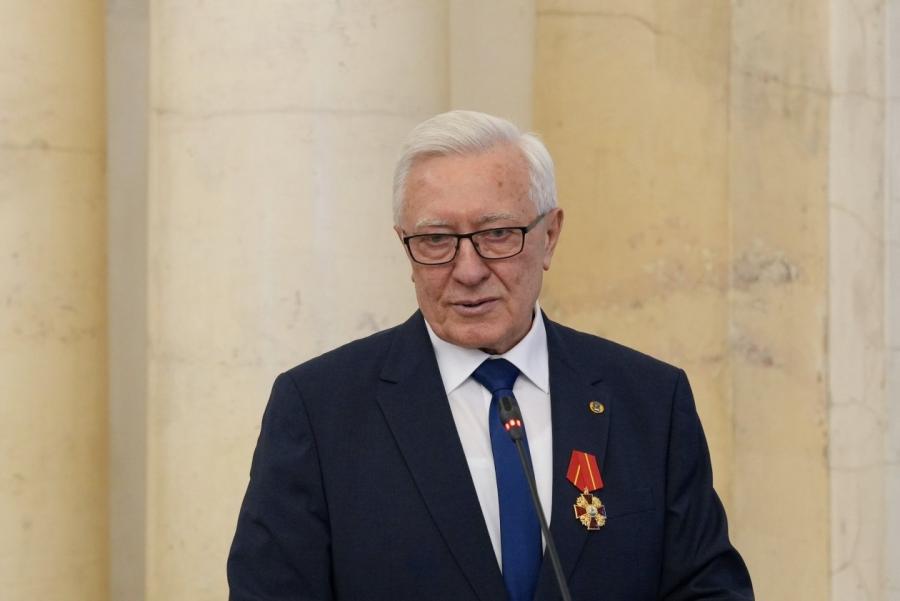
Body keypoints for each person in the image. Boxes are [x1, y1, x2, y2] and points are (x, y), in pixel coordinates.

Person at [227, 110, 754, 600]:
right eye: (436, 240)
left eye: (498, 234)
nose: (469, 270)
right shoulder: (320, 411)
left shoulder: (650, 401)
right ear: (405, 246)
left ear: (550, 236)